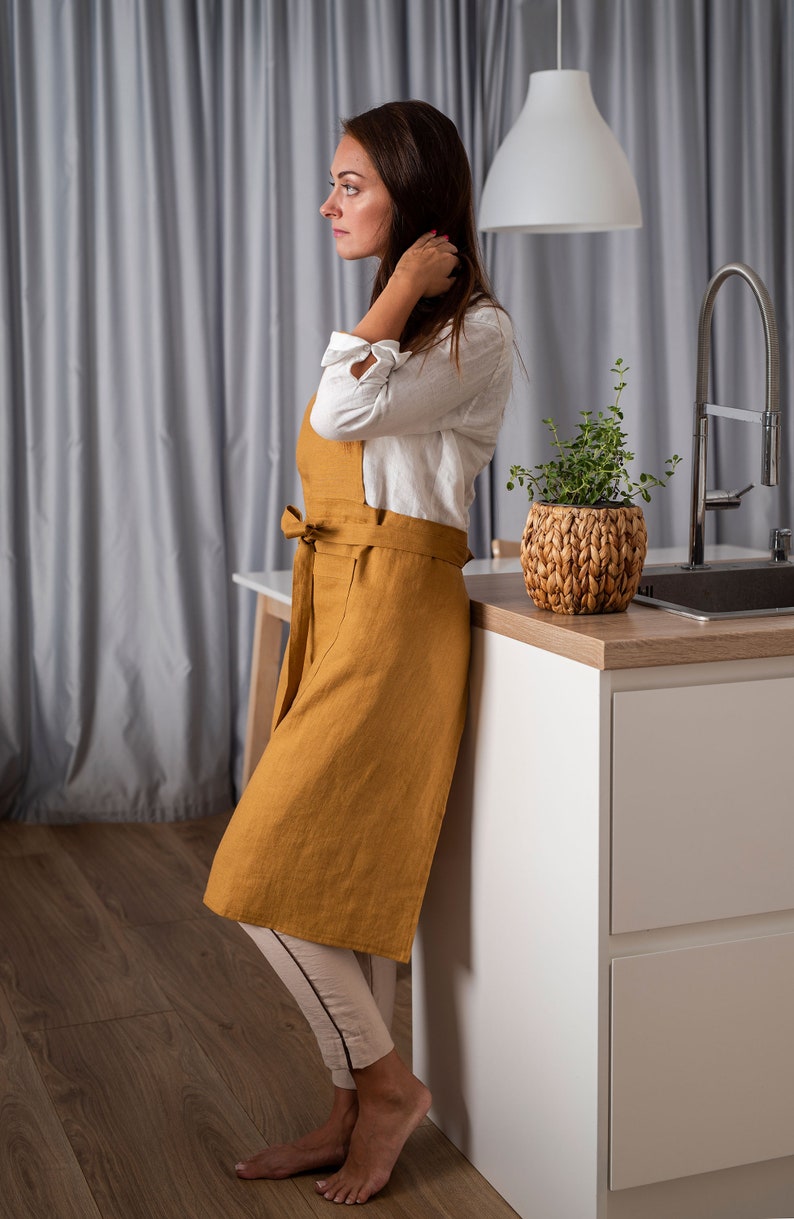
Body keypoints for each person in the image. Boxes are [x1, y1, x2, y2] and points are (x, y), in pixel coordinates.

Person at [204, 99, 514, 1205]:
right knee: (340, 877)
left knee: (259, 880)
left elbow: (338, 413)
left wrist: (391, 295)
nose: (329, 203)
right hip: (341, 593)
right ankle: (345, 1105)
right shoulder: (403, 326)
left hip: (395, 614)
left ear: (414, 198)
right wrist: (390, 302)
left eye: (351, 185)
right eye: (332, 184)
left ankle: (387, 1086)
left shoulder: (473, 331)